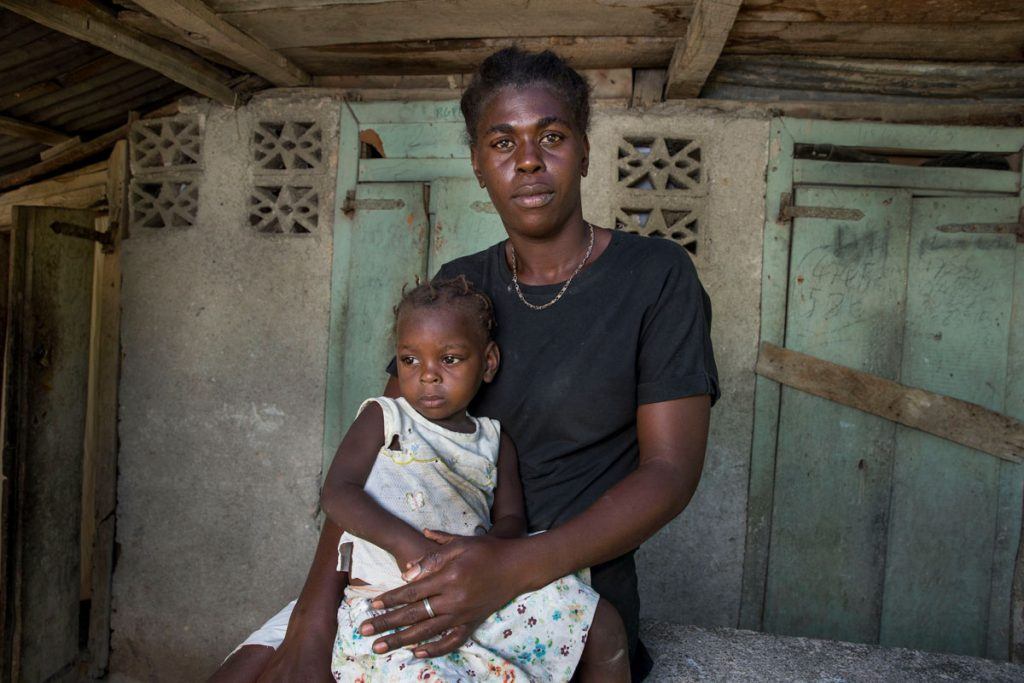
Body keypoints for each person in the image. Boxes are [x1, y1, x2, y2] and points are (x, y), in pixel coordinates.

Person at [211, 46, 717, 683]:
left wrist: (508, 567)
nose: (528, 159)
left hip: (556, 587)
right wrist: (312, 621)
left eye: (551, 136)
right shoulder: (460, 294)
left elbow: (670, 472)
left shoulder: (654, 278)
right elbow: (382, 451)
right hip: (414, 565)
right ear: (478, 165)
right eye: (502, 142)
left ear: (585, 149)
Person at [322, 276, 628, 681]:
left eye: (449, 359)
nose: (427, 376)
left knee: (594, 617)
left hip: (475, 590)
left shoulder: (494, 441)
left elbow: (511, 522)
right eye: (410, 360)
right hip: (388, 604)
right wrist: (406, 544)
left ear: (488, 363)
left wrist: (479, 556)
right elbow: (338, 492)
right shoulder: (385, 417)